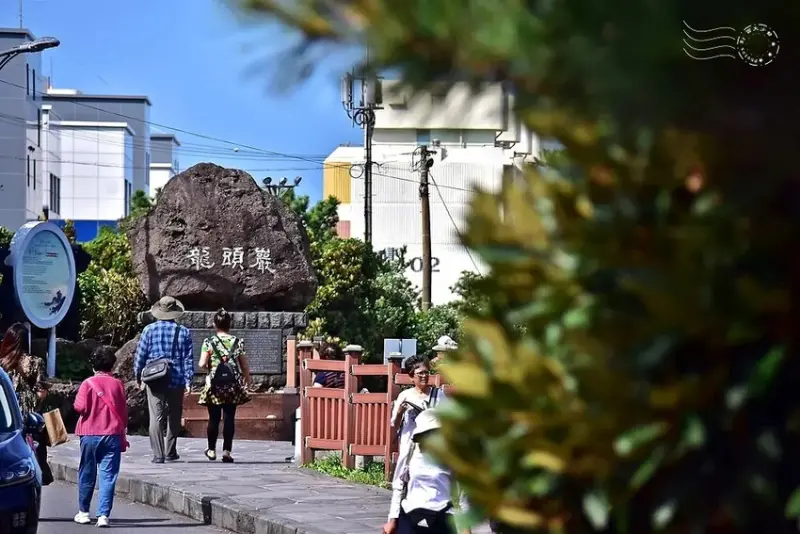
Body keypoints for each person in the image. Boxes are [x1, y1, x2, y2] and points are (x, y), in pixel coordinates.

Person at [384, 409, 469, 534]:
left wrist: (466, 528)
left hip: (442, 518)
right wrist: (392, 519)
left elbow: (462, 494)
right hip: (410, 515)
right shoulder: (411, 452)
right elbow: (398, 486)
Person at [133, 296, 194, 464]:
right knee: (174, 416)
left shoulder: (148, 330)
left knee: (156, 417)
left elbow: (140, 356)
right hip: (176, 378)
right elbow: (188, 359)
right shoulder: (184, 332)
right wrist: (189, 381)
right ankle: (170, 451)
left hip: (155, 378)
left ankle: (158, 454)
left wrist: (138, 376)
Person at [73, 347, 128, 528]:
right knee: (108, 475)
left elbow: (80, 407)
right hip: (112, 434)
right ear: (112, 365)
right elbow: (123, 411)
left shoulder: (87, 383)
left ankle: (83, 512)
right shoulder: (118, 384)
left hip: (89, 434)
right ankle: (103, 515)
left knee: (87, 472)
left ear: (93, 365)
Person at [0, 322, 52, 485]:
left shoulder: (2, 364)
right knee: (34, 458)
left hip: (8, 419)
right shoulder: (35, 362)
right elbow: (41, 393)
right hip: (30, 420)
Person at [198, 308, 251, 463]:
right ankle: (227, 452)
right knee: (229, 418)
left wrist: (210, 365)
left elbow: (201, 363)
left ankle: (211, 450)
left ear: (215, 324)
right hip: (232, 386)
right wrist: (247, 379)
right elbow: (244, 365)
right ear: (229, 324)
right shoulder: (237, 342)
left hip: (214, 385)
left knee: (213, 418)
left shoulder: (208, 342)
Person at [390, 356, 445, 489]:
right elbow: (394, 424)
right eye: (420, 373)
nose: (424, 376)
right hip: (409, 443)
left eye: (426, 372)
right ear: (411, 377)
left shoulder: (438, 395)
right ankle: (398, 499)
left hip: (431, 444)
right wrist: (400, 412)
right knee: (402, 478)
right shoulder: (405, 395)